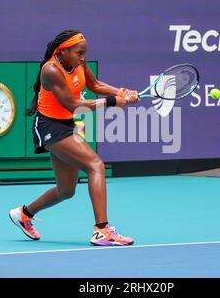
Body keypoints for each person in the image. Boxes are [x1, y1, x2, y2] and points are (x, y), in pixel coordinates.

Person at [9, 29, 139, 246]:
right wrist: (112, 102)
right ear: (63, 50)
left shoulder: (78, 62)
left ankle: (23, 214)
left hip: (66, 124)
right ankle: (102, 230)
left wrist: (121, 93)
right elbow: (73, 104)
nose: (82, 57)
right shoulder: (51, 70)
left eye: (84, 53)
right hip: (49, 126)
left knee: (66, 190)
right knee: (95, 165)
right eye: (79, 52)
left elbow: (94, 84)